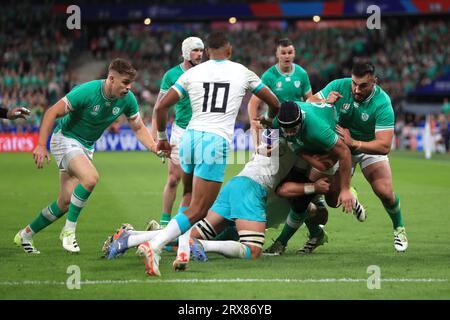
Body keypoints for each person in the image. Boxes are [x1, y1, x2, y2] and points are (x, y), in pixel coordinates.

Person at [137, 31, 280, 276]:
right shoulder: (242, 71)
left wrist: (161, 139)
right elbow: (275, 103)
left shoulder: (192, 72)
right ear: (230, 50)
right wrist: (267, 119)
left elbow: (160, 106)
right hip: (215, 142)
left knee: (189, 196)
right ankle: (154, 245)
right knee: (200, 208)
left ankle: (183, 248)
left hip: (189, 139)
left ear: (206, 52)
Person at [14, 58, 161, 254]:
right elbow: (51, 113)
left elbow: (138, 127)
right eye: (125, 82)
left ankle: (25, 235)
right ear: (111, 79)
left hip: (86, 146)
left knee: (65, 202)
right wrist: (41, 145)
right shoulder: (87, 91)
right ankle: (68, 232)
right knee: (90, 178)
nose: (129, 87)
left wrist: (153, 146)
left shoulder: (128, 99)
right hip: (65, 138)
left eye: (130, 83)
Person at [308, 60, 408, 252]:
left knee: (385, 192)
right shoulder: (339, 85)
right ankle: (351, 193)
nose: (356, 89)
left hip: (369, 147)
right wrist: (325, 102)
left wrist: (355, 143)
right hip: (342, 147)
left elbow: (384, 145)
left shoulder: (382, 103)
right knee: (332, 200)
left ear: (374, 82)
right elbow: (310, 103)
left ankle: (399, 228)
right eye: (354, 83)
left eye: (362, 86)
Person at [263, 101, 357, 255]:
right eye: (286, 130)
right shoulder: (278, 123)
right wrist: (268, 146)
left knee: (329, 201)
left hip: (325, 152)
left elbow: (344, 152)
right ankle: (313, 230)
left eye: (293, 129)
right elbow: (271, 136)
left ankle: (345, 191)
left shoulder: (317, 129)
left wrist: (345, 189)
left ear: (301, 120)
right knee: (291, 194)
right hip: (305, 150)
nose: (290, 133)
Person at [151, 37, 204, 227]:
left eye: (201, 50)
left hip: (201, 131)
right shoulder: (172, 75)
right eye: (195, 50)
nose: (199, 54)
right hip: (180, 132)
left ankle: (187, 223)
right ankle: (165, 222)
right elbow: (159, 106)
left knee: (196, 181)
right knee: (173, 179)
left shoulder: (206, 72)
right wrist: (157, 136)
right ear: (186, 52)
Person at [248, 38, 312, 147]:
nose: (287, 56)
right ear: (277, 54)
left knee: (301, 160)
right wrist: (253, 124)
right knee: (269, 158)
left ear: (294, 54)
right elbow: (253, 103)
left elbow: (310, 101)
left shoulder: (302, 73)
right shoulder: (268, 76)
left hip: (296, 122)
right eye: (283, 53)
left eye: (290, 52)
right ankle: (259, 156)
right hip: (275, 123)